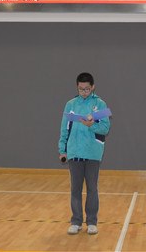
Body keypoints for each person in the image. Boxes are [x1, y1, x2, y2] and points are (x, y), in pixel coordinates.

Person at [58, 72, 111, 235]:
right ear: (77, 87)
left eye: (87, 89)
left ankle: (92, 222)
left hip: (93, 152)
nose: (84, 92)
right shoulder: (70, 104)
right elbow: (64, 129)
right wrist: (62, 149)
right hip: (74, 152)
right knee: (75, 189)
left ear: (93, 87)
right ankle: (76, 221)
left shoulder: (100, 104)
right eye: (81, 89)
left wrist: (91, 125)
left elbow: (105, 128)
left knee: (92, 188)